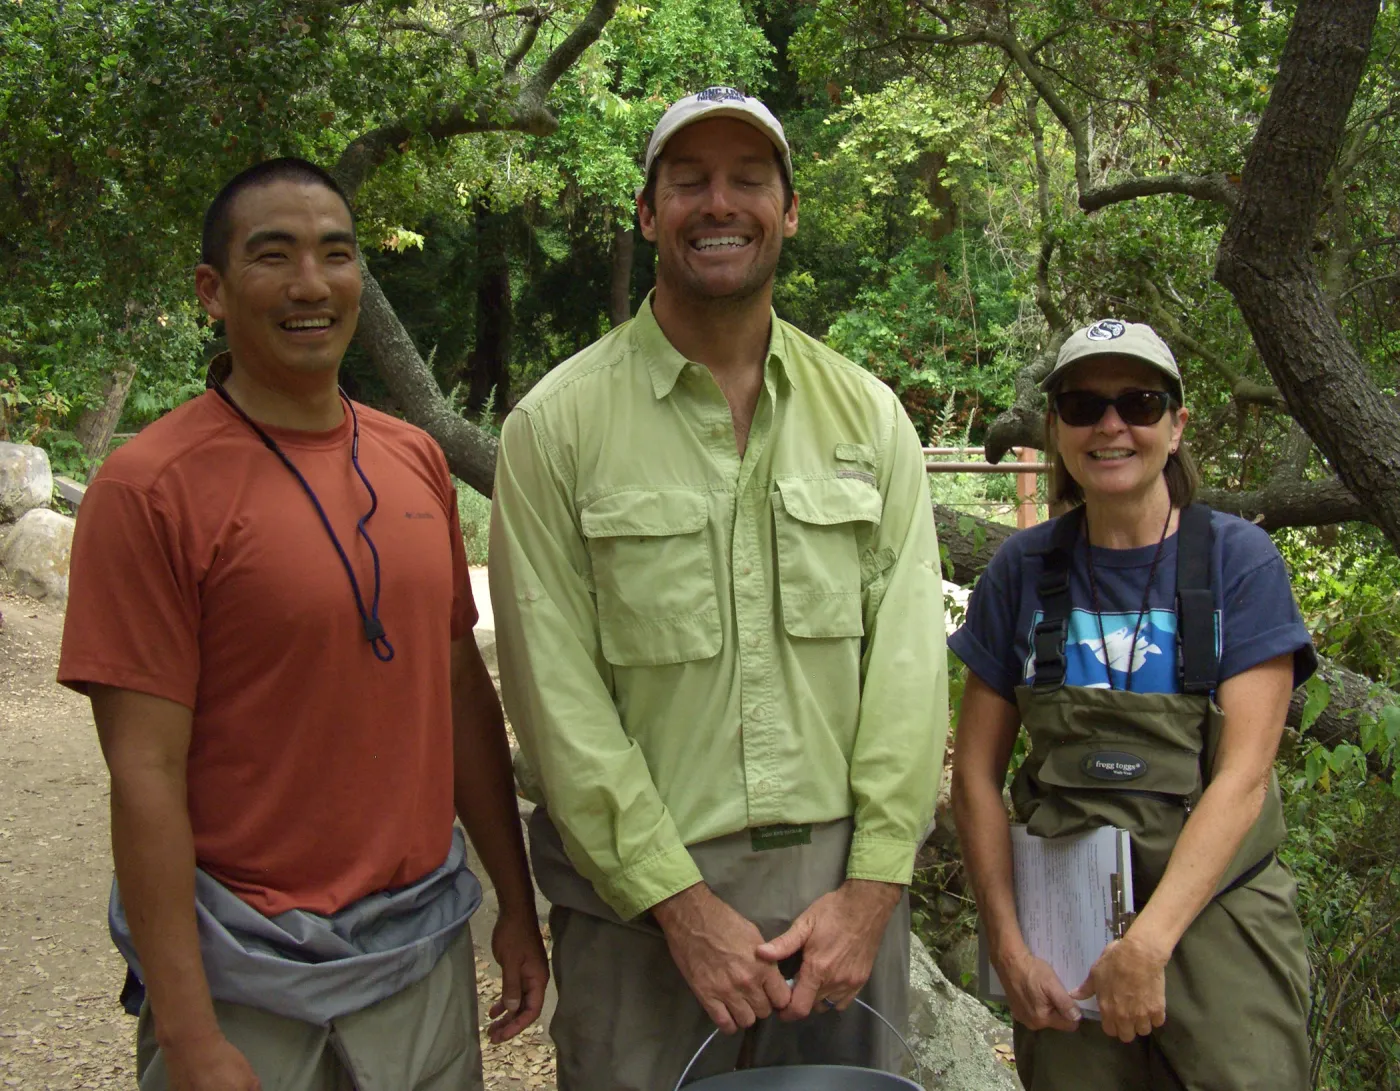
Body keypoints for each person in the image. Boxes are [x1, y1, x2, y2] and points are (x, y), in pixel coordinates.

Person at [488, 87, 947, 1091]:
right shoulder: (555, 427)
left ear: (787, 211)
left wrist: (872, 887)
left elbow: (908, 674)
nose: (718, 202)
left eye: (747, 179)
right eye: (687, 180)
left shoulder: (867, 419)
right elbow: (555, 700)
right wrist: (678, 903)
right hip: (638, 910)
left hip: (840, 903)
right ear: (647, 213)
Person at [58, 157, 548, 1091]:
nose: (310, 284)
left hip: (421, 957)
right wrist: (192, 1035)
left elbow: (457, 695)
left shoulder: (413, 461)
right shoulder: (150, 489)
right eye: (272, 256)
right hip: (244, 975)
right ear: (212, 290)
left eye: (336, 253)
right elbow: (145, 772)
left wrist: (513, 908)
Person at [949, 319, 1314, 1089]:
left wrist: (1147, 946)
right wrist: (1008, 944)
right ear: (1056, 430)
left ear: (1176, 427)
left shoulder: (1236, 564)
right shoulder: (1021, 572)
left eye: (1140, 403)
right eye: (1082, 406)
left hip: (1220, 921)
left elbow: (1244, 779)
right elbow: (975, 776)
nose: (1111, 425)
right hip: (1065, 937)